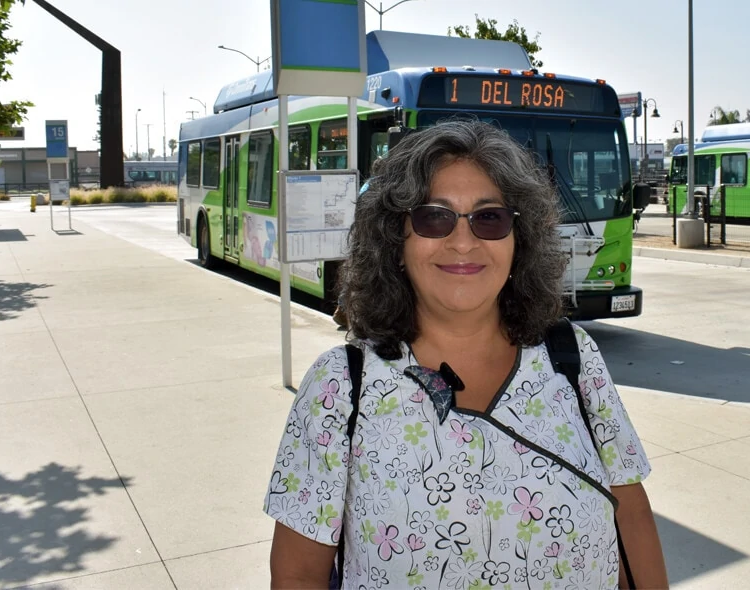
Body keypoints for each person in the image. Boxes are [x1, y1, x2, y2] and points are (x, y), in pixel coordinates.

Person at [265, 119, 668, 589]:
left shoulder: (573, 358)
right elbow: (297, 576)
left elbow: (632, 516)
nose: (463, 241)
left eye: (489, 217)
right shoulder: (340, 387)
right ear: (397, 241)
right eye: (433, 216)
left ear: (519, 242)